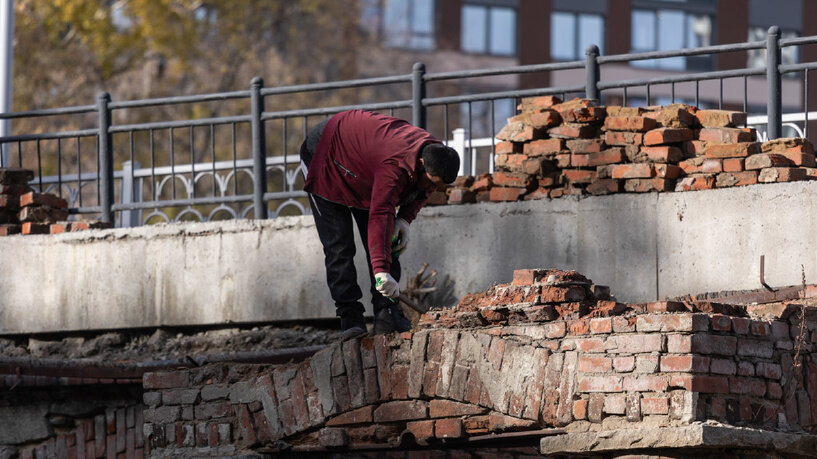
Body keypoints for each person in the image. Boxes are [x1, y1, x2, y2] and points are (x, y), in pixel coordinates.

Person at [300, 109, 460, 338]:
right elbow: (380, 214)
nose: (430, 188)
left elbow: (425, 188)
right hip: (326, 155)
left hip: (361, 165)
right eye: (430, 181)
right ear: (422, 163)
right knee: (339, 247)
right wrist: (381, 271)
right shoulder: (393, 166)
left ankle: (387, 315)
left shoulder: (436, 155)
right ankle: (350, 319)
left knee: (388, 242)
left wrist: (404, 219)